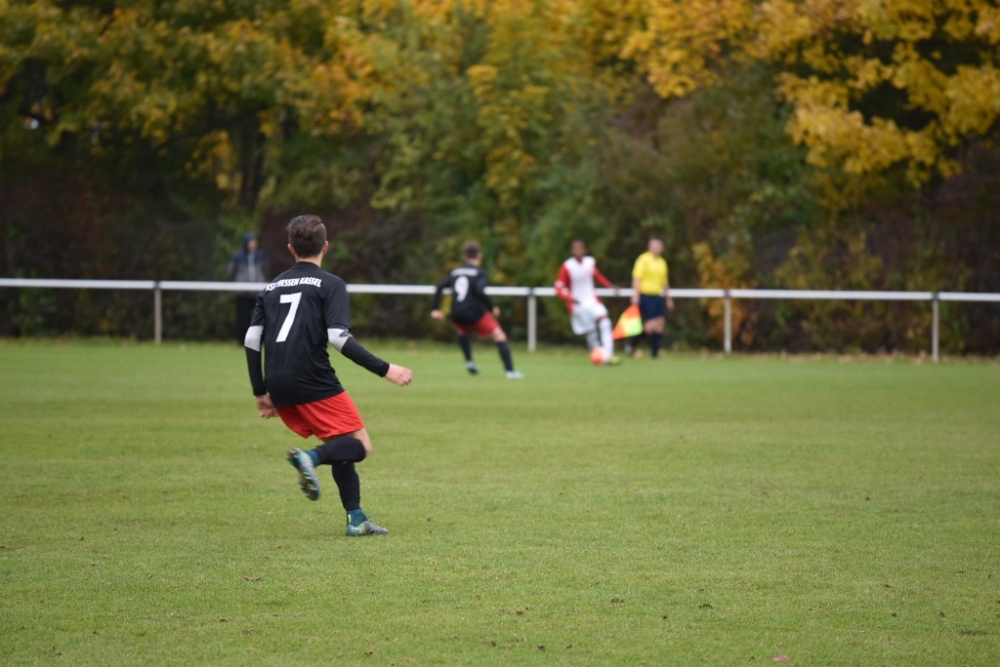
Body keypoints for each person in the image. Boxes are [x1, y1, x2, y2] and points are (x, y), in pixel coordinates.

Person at [244, 215, 413, 537]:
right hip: (313, 378)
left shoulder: (270, 287)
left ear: (291, 248)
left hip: (277, 379)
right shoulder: (331, 284)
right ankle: (309, 459)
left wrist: (259, 389)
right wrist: (385, 369)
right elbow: (338, 338)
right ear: (325, 247)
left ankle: (357, 518)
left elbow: (252, 340)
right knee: (360, 445)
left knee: (340, 442)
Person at [431, 241, 524, 379]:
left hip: (456, 313)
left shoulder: (455, 272)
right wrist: (492, 308)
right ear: (479, 255)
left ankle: (469, 361)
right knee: (499, 335)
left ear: (464, 257)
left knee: (462, 330)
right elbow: (480, 291)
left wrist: (435, 309)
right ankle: (510, 371)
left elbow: (439, 287)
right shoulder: (479, 273)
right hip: (475, 313)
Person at [554, 238, 621, 365]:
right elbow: (558, 287)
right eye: (575, 248)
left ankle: (608, 354)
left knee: (605, 322)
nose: (578, 251)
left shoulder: (590, 262)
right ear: (572, 250)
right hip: (578, 304)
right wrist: (570, 298)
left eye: (581, 248)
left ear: (585, 250)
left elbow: (597, 276)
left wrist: (609, 286)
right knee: (591, 331)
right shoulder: (567, 266)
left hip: (592, 300)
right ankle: (598, 356)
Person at [628, 238, 675, 358]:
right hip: (646, 295)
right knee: (650, 325)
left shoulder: (662, 262)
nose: (656, 248)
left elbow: (664, 282)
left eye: (659, 246)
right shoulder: (643, 259)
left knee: (660, 324)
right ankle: (631, 344)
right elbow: (637, 278)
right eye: (654, 246)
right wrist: (636, 295)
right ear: (649, 247)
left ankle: (655, 353)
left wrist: (669, 298)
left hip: (658, 296)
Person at [228, 231, 269, 345]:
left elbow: (265, 270)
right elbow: (230, 271)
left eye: (254, 241)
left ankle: (260, 339)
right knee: (243, 318)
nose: (253, 244)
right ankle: (242, 340)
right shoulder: (238, 256)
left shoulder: (260, 255)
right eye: (251, 241)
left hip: (257, 292)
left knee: (260, 317)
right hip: (243, 292)